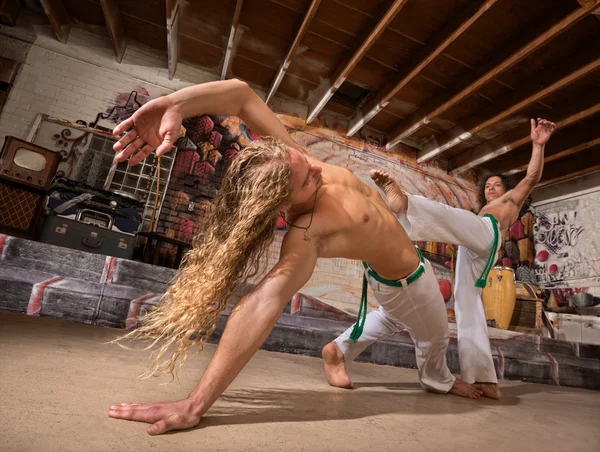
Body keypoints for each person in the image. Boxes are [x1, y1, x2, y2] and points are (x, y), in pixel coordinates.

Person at [107, 79, 482, 435]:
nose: (317, 168)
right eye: (308, 180)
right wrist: (196, 404)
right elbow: (262, 302)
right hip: (409, 282)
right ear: (283, 204)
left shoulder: (295, 161)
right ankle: (441, 381)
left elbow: (240, 95)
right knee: (435, 337)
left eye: (307, 164)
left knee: (390, 318)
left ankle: (337, 351)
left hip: (387, 279)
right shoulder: (309, 233)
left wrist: (176, 103)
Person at [323, 118, 556, 400]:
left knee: (459, 219)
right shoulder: (480, 213)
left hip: (487, 236)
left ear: (507, 189)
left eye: (497, 185)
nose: (491, 190)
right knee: (466, 306)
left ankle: (407, 204)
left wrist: (538, 145)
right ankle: (484, 379)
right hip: (473, 249)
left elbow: (532, 177)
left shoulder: (509, 203)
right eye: (487, 187)